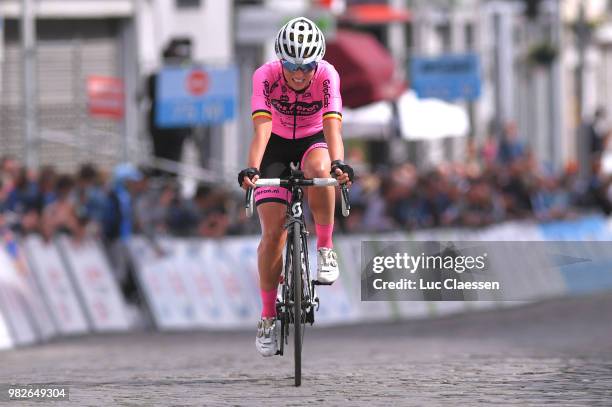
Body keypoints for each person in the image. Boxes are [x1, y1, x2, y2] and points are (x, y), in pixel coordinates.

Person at [237, 17, 354, 357]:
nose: (300, 74)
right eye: (291, 65)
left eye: (307, 66)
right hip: (274, 143)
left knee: (320, 168)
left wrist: (339, 163)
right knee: (272, 234)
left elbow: (333, 128)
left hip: (312, 140)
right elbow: (261, 130)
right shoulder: (265, 75)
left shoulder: (328, 75)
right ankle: (267, 316)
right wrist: (253, 169)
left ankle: (325, 247)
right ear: (280, 60)